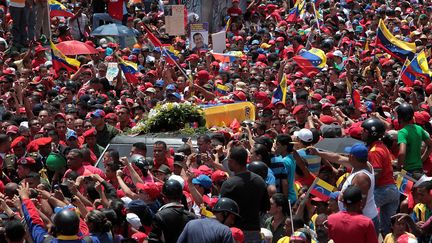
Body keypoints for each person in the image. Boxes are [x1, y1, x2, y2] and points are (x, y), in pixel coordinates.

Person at [220, 146, 270, 242]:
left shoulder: (229, 184)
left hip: (234, 233)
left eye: (229, 160)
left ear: (233, 161)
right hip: (254, 232)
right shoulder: (259, 181)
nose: (228, 163)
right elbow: (265, 208)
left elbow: (222, 212)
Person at [361, 118, 399, 235]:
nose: (361, 133)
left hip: (383, 190)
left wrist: (365, 192)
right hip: (392, 190)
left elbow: (376, 173)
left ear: (372, 133)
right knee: (387, 228)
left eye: (364, 131)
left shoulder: (374, 150)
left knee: (361, 213)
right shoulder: (381, 146)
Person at [397, 103, 432, 179]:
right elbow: (430, 145)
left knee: (399, 188)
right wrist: (422, 159)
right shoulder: (419, 128)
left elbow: (402, 153)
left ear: (400, 117)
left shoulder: (402, 132)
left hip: (406, 171)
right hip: (419, 170)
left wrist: (399, 167)